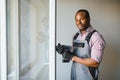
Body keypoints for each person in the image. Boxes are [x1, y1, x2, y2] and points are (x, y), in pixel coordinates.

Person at [56, 9, 105, 80]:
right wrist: (64, 49)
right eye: (76, 20)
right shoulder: (76, 35)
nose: (79, 22)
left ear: (88, 19)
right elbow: (76, 50)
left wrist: (72, 57)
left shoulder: (96, 37)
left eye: (82, 19)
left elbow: (95, 62)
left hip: (88, 77)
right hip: (74, 75)